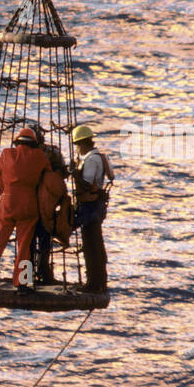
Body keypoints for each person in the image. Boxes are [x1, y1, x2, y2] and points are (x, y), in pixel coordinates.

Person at [0, 127, 51, 292]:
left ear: (17, 142)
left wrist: (5, 192)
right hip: (29, 203)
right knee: (24, 246)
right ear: (34, 143)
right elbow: (48, 175)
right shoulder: (39, 156)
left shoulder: (6, 153)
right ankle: (22, 283)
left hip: (8, 201)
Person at [70, 124, 114, 293]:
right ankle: (100, 281)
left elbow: (87, 183)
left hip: (89, 207)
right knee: (96, 243)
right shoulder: (100, 157)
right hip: (97, 206)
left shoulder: (91, 160)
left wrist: (74, 173)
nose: (77, 149)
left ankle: (93, 283)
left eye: (77, 145)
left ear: (82, 144)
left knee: (90, 246)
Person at [30, 125, 71, 284]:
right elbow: (63, 175)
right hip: (46, 205)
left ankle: (26, 277)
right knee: (44, 241)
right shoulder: (52, 153)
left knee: (28, 243)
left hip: (32, 204)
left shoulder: (25, 154)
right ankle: (43, 274)